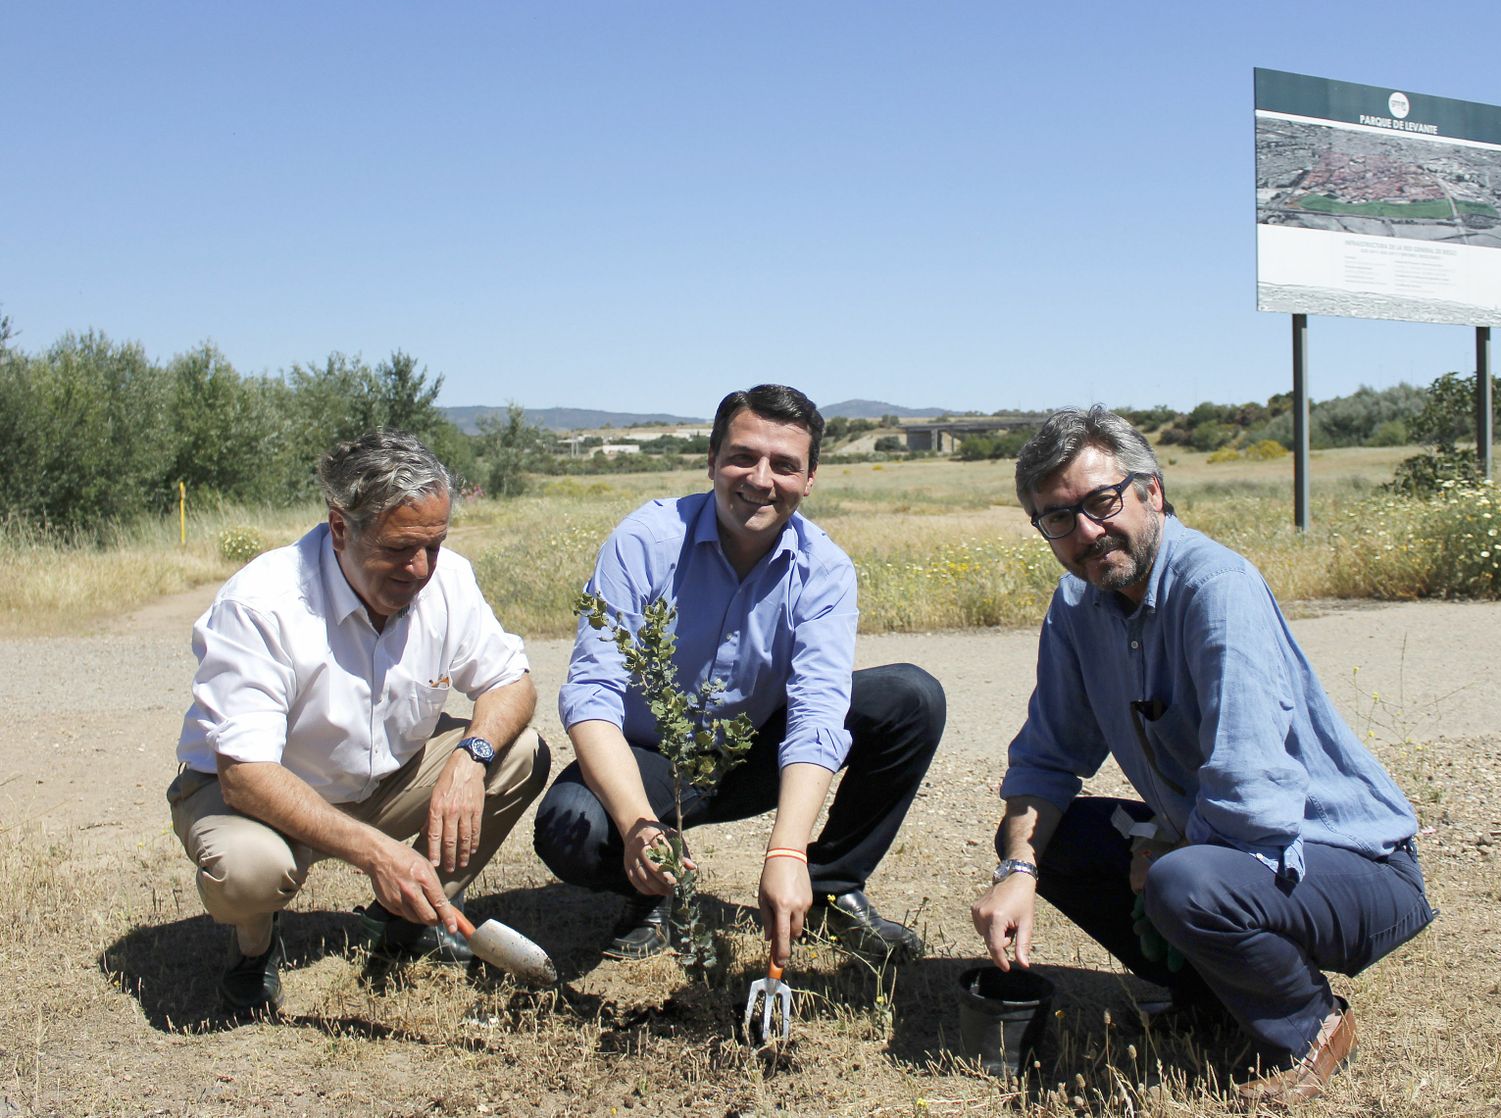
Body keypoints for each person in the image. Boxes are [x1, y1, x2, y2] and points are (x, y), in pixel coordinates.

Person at [970, 406, 1435, 1103]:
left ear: (1150, 492)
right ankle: (1210, 997)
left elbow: (1253, 793)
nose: (1088, 532)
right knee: (1055, 839)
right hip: (1233, 851)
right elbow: (1046, 761)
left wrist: (1169, 848)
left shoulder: (1216, 588)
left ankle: (1310, 1025)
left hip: (1353, 862)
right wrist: (1017, 868)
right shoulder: (1077, 608)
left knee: (1183, 884)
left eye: (1102, 501)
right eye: (1058, 518)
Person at [536, 384, 944, 967]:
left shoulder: (824, 569)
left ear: (810, 479)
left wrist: (789, 853)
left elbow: (817, 710)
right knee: (570, 825)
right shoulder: (645, 542)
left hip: (752, 754)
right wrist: (637, 825)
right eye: (742, 456)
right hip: (648, 759)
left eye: (784, 465)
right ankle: (652, 890)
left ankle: (831, 888)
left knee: (911, 697)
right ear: (711, 461)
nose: (760, 478)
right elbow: (592, 694)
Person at [170, 429, 550, 1014]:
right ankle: (255, 946)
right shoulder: (261, 604)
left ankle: (408, 923)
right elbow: (244, 775)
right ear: (341, 527)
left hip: (382, 781)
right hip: (255, 797)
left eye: (435, 544)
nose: (420, 568)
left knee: (518, 753)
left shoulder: (447, 580)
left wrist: (470, 760)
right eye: (399, 548)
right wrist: (377, 852)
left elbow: (511, 682)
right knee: (251, 871)